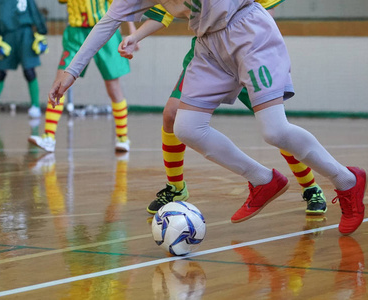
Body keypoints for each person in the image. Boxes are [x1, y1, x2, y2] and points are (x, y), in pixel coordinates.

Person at [47, 0, 367, 235]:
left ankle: (346, 181)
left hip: (247, 32)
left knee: (274, 130)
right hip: (208, 45)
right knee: (185, 126)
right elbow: (106, 24)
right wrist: (72, 71)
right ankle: (263, 179)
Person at [115, 1, 328, 216]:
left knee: (276, 129)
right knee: (172, 114)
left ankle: (310, 186)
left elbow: (266, 10)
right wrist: (136, 36)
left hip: (247, 47)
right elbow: (164, 12)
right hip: (208, 51)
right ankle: (175, 188)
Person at [28, 0, 169, 152]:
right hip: (76, 32)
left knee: (113, 86)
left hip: (105, 29)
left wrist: (133, 31)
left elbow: (125, 5)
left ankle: (122, 137)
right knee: (60, 80)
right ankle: (49, 136)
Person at [0, 0, 48, 119]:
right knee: (0, 71)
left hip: (25, 34)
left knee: (29, 70)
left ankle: (35, 106)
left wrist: (41, 30)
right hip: (7, 35)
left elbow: (33, 10)